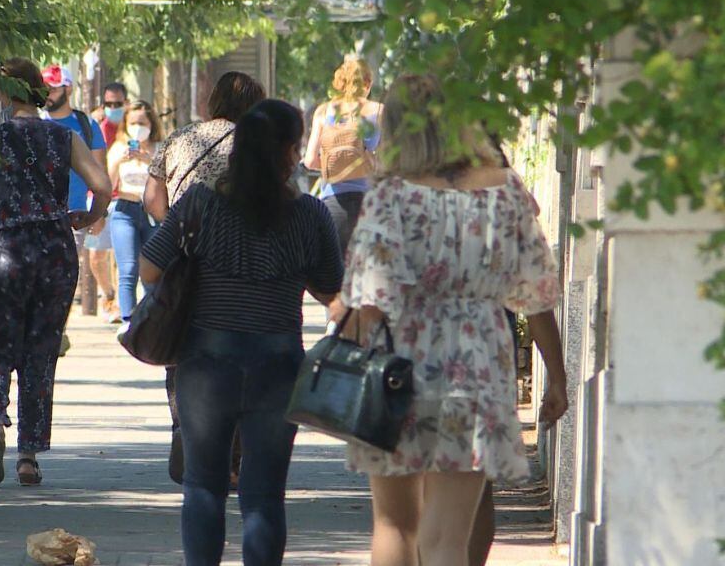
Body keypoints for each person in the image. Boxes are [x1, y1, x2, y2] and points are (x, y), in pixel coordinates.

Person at [338, 74, 569, 566]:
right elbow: (537, 292)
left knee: (395, 525)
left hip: (397, 369)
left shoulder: (390, 195)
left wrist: (344, 357)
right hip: (479, 364)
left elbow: (372, 296)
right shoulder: (505, 192)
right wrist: (558, 376)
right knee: (448, 539)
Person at [140, 99, 343, 565]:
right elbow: (331, 288)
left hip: (206, 362)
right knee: (265, 494)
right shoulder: (310, 215)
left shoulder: (200, 205)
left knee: (204, 487)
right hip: (278, 362)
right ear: (291, 152)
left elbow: (151, 269)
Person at [0, 58, 110, 487]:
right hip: (52, 251)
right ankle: (29, 456)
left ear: (3, 93)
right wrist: (88, 217)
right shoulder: (63, 137)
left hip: (2, 248)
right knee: (40, 351)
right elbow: (102, 184)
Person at [143, 71, 267, 485]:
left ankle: (182, 428)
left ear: (212, 100)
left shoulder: (179, 138)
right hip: (238, 263)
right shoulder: (257, 142)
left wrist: (175, 229)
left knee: (182, 348)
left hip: (185, 258)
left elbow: (152, 199)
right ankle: (230, 459)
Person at [41, 65, 110, 337]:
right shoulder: (37, 123)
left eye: (54, 87)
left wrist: (98, 213)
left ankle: (57, 330)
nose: (48, 93)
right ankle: (48, 328)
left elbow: (99, 172)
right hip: (39, 211)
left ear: (68, 89)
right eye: (44, 88)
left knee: (65, 273)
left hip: (75, 213)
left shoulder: (86, 125)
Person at [302, 56, 383, 254]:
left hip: (332, 204)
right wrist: (362, 165)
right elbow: (389, 161)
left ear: (340, 83)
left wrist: (337, 166)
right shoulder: (379, 111)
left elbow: (310, 160)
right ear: (368, 83)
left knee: (333, 274)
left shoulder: (323, 112)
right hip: (368, 204)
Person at [107, 100, 164, 332]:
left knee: (153, 271)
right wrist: (119, 162)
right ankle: (128, 322)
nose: (138, 127)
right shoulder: (119, 148)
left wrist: (148, 160)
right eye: (133, 123)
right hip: (125, 210)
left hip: (153, 212)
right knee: (128, 269)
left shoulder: (160, 148)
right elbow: (107, 184)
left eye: (142, 122)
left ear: (151, 123)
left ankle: (152, 321)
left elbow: (168, 180)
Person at [87, 81, 130, 323]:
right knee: (96, 255)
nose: (114, 108)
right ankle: (109, 295)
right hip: (99, 199)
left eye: (118, 104)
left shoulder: (132, 128)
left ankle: (123, 304)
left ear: (126, 103)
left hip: (125, 198)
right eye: (109, 104)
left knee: (122, 255)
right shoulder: (97, 129)